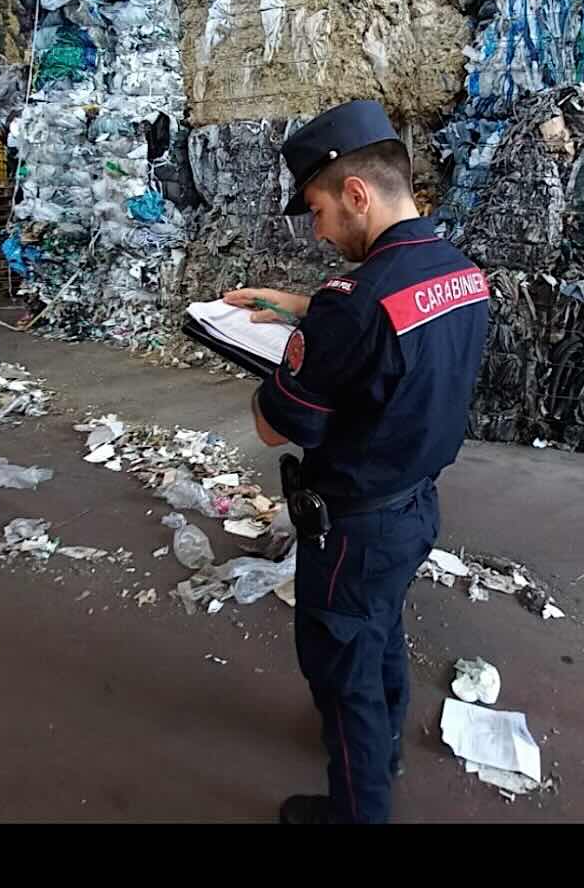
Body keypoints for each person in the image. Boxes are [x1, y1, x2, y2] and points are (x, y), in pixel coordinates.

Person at [225, 100, 490, 825]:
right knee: (378, 631)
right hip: (413, 506)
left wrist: (271, 359)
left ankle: (357, 810)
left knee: (342, 671)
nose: (318, 229)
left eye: (315, 210)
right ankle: (384, 750)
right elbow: (385, 324)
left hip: (353, 526)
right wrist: (293, 307)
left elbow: (276, 425)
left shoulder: (354, 301)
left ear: (356, 194)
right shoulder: (460, 273)